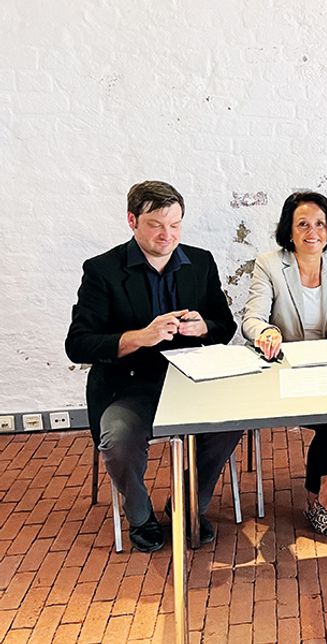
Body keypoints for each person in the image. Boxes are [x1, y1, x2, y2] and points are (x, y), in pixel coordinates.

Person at [65, 181, 241, 552]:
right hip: (129, 386)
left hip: (193, 381)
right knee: (118, 440)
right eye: (156, 225)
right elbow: (78, 344)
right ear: (132, 220)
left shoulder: (200, 261)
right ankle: (139, 513)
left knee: (232, 423)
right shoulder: (102, 270)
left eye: (175, 225)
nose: (168, 235)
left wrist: (204, 326)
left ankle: (189, 504)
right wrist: (141, 337)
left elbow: (225, 326)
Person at [242, 191, 327, 537]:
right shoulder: (269, 264)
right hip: (283, 371)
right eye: (303, 224)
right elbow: (252, 317)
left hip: (324, 369)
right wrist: (265, 332)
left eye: (320, 224)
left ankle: (324, 493)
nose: (313, 232)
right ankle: (320, 491)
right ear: (290, 231)